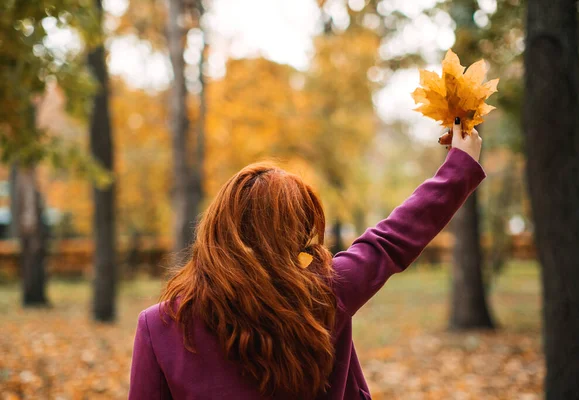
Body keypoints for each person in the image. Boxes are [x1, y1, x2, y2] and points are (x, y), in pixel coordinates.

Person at [129, 117, 484, 400]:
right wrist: (460, 165)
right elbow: (392, 241)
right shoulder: (324, 295)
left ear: (217, 227)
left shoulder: (159, 325)